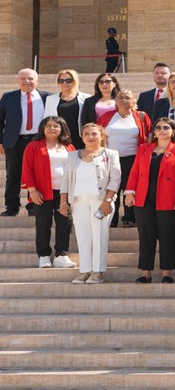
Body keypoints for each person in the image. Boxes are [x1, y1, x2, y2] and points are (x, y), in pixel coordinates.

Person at [124, 118, 175, 284]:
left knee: (166, 235)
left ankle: (166, 273)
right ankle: (145, 273)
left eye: (166, 127)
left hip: (169, 198)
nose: (162, 130)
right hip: (144, 197)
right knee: (146, 235)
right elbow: (134, 171)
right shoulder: (143, 148)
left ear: (173, 131)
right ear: (153, 132)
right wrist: (129, 192)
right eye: (158, 128)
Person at [59, 123, 121, 284]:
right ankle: (85, 270)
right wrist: (63, 202)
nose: (90, 137)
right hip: (78, 200)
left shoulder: (110, 154)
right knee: (83, 235)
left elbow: (115, 179)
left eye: (94, 133)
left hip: (101, 201)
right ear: (82, 136)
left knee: (99, 235)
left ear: (101, 136)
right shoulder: (73, 156)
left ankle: (98, 271)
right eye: (86, 134)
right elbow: (65, 180)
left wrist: (108, 200)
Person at [22, 117, 76, 268]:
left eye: (56, 126)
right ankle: (44, 255)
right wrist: (32, 190)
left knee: (64, 223)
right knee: (43, 223)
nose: (52, 129)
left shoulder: (69, 147)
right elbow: (27, 168)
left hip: (64, 192)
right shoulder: (33, 146)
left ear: (62, 129)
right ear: (43, 128)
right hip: (42, 191)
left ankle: (61, 255)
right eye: (48, 126)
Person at [97, 90, 152, 228]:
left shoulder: (141, 116)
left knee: (130, 187)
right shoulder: (106, 116)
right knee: (112, 186)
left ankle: (129, 218)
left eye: (127, 97)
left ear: (134, 101)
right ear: (115, 101)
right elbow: (98, 135)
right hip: (110, 159)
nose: (123, 100)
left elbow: (148, 136)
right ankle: (111, 217)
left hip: (133, 158)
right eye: (120, 97)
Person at [0, 69, 49, 216]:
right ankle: (12, 207)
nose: (26, 81)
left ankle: (33, 206)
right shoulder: (9, 97)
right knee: (13, 174)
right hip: (14, 141)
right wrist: (0, 141)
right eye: (23, 78)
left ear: (37, 81)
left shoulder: (47, 97)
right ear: (17, 81)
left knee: (36, 174)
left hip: (37, 140)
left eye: (30, 78)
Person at [44, 69, 91, 149]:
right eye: (61, 81)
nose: (64, 83)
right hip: (59, 139)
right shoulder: (50, 99)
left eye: (68, 80)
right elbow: (46, 119)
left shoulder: (86, 98)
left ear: (74, 81)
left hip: (80, 138)